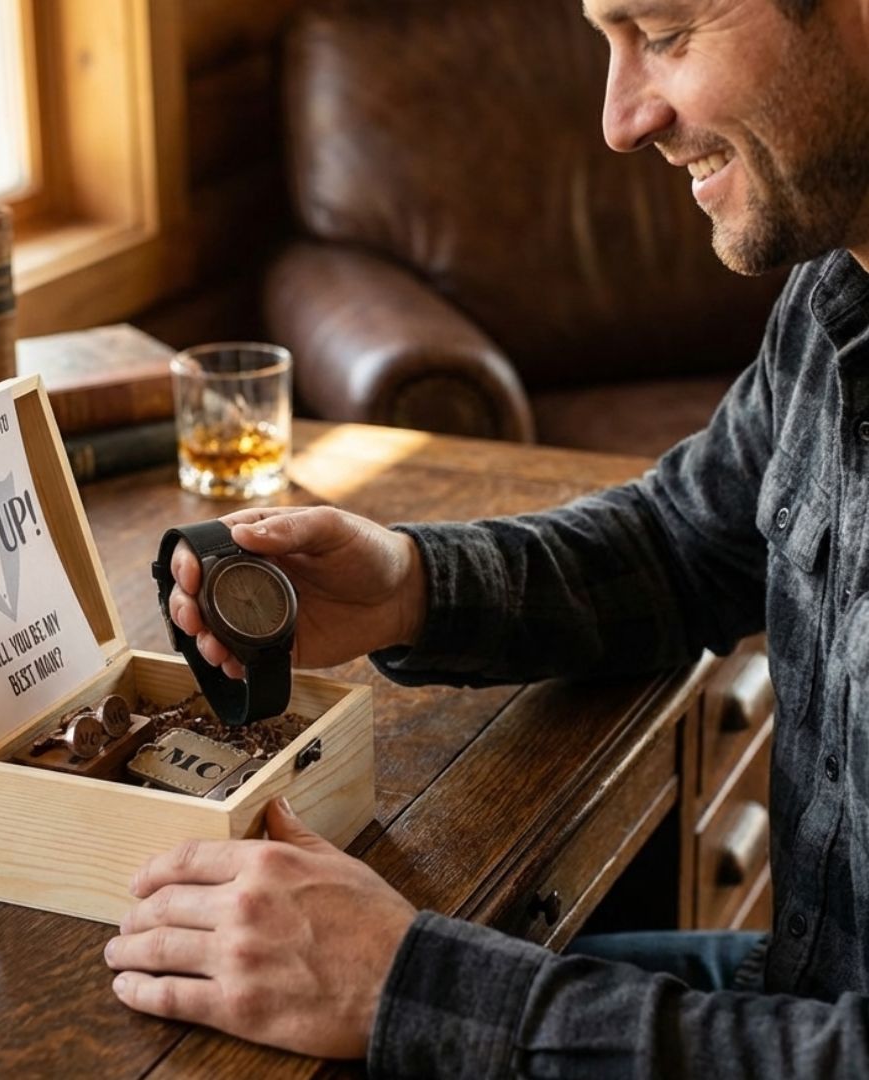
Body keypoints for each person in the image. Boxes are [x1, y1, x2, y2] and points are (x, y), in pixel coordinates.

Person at [103, 0, 869, 1073]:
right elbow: (683, 540)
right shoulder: (839, 285)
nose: (619, 119)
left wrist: (406, 987)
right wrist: (407, 586)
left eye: (664, 30)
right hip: (799, 984)